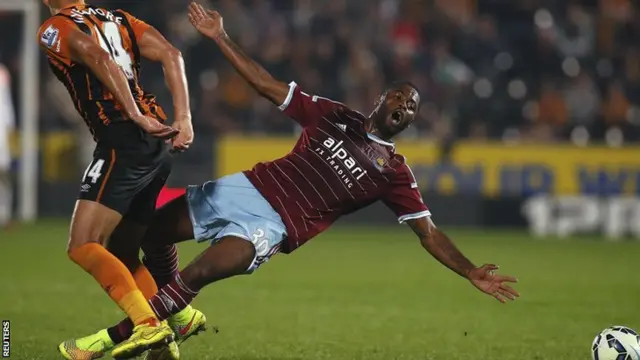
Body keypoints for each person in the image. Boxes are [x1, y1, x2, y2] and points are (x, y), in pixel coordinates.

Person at [69, 3, 520, 359]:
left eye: (414, 105)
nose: (405, 104)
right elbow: (266, 85)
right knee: (149, 233)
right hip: (244, 188)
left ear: (410, 122)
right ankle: (178, 320)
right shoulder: (335, 115)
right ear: (381, 99)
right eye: (400, 96)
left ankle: (107, 341)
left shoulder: (394, 172)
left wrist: (469, 271)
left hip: (273, 226)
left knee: (202, 270)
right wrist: (221, 36)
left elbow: (429, 232)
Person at [38, 1, 197, 359]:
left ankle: (147, 325)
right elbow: (172, 54)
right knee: (122, 250)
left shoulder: (56, 28)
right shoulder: (119, 19)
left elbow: (100, 60)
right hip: (158, 143)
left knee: (82, 245)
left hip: (124, 140)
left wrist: (136, 115)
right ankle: (175, 319)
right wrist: (184, 118)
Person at [0, 62, 14, 229]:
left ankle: (4, 215)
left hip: (2, 131)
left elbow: (7, 104)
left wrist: (11, 126)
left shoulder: (3, 72)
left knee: (3, 174)